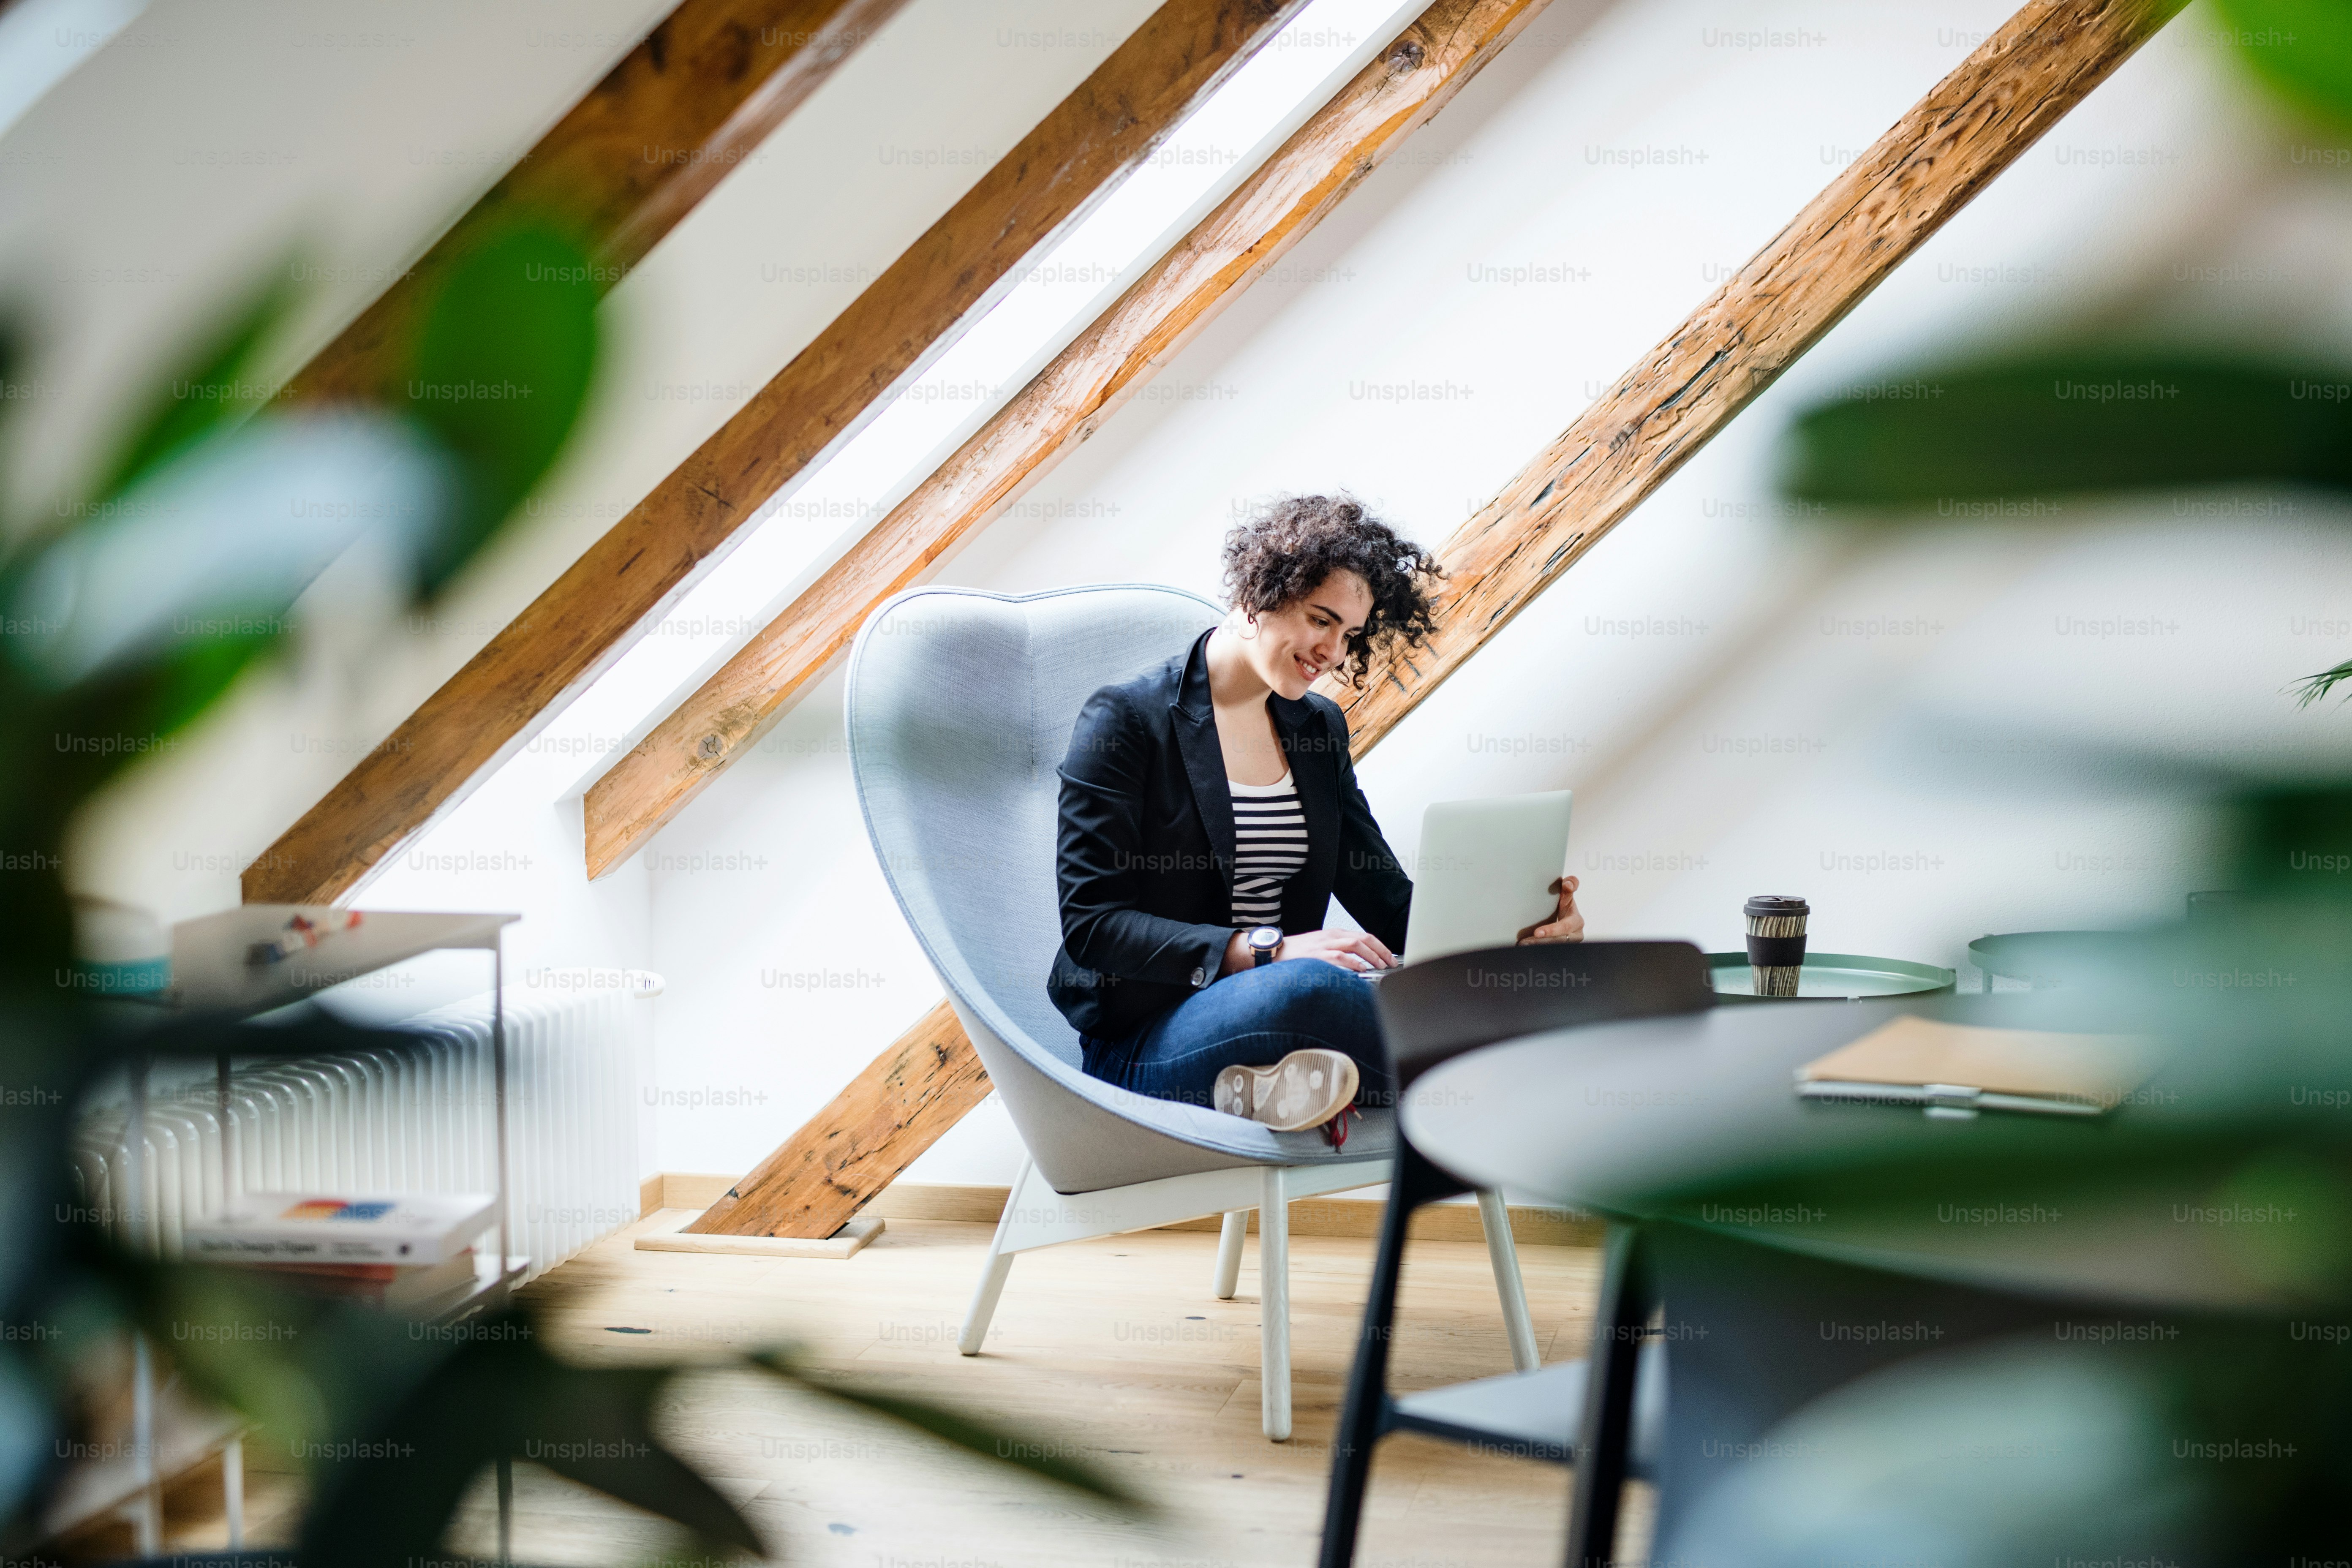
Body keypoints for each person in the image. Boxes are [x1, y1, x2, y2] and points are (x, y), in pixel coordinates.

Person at [1047, 494, 1583, 1142]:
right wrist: (1268, 951)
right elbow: (1093, 925)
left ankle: (1302, 1080)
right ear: (1257, 595)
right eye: (1320, 620)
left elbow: (1383, 898)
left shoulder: (1316, 729)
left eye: (1349, 634)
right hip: (1146, 1041)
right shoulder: (1127, 720)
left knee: (1484, 983)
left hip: (1284, 1019)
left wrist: (1512, 933)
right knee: (1308, 988)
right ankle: (1523, 1067)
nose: (1332, 650)